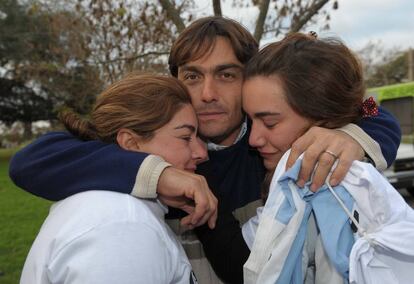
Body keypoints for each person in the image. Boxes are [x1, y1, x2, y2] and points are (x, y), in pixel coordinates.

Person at [10, 17, 401, 284]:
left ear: (250, 78)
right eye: (192, 76)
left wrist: (352, 137)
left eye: (227, 75)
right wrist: (157, 173)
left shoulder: (273, 147)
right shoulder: (160, 142)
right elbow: (34, 159)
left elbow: (369, 108)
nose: (208, 94)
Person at [196, 32, 410, 284]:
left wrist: (352, 136)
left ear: (324, 118)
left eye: (270, 122)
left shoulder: (325, 188)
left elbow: (370, 108)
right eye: (250, 119)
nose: (253, 139)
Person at [20, 73, 208, 284]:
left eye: (199, 137)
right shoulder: (124, 227)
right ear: (131, 143)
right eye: (185, 137)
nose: (202, 152)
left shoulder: (117, 212)